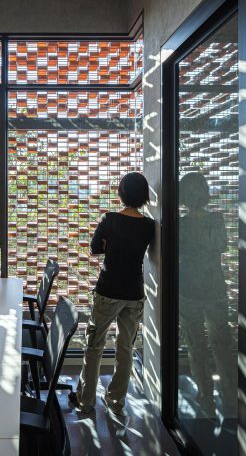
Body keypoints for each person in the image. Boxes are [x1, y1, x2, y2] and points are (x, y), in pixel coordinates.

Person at [69, 172, 155, 416]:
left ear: (122, 193)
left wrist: (110, 244)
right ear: (144, 196)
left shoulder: (110, 219)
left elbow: (95, 248)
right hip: (134, 293)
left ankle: (86, 400)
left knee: (94, 346)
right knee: (125, 349)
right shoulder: (149, 226)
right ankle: (116, 401)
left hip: (108, 291)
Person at [178, 172, 236, 419]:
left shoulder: (181, 224)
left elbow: (178, 251)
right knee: (222, 345)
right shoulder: (216, 219)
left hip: (188, 289)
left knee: (196, 346)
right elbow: (221, 246)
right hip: (214, 287)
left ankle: (205, 398)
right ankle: (230, 398)